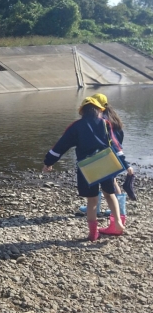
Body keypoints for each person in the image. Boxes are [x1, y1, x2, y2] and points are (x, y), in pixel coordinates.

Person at [42, 97, 134, 241]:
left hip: (87, 168)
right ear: (99, 110)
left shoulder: (75, 126)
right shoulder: (105, 124)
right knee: (110, 195)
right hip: (106, 164)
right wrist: (126, 164)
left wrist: (49, 162)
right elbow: (115, 145)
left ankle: (93, 233)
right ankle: (117, 223)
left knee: (92, 200)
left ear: (82, 112)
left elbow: (61, 145)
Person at [91, 93, 130, 230]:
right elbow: (119, 138)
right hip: (116, 152)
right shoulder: (114, 117)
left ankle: (115, 210)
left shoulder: (101, 119)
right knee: (112, 180)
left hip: (107, 154)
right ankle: (119, 209)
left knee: (107, 181)